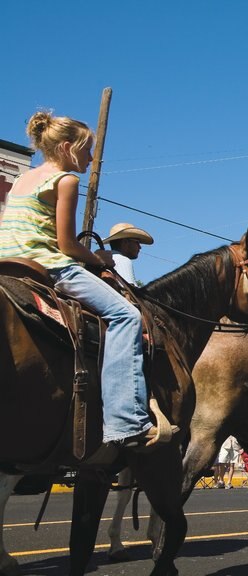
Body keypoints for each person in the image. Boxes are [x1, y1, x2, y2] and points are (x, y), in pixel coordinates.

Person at [0, 111, 159, 449]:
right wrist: (98, 258)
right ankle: (125, 421)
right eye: (88, 151)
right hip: (49, 267)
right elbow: (67, 245)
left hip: (8, 264)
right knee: (126, 316)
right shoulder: (66, 180)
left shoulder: (24, 179)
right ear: (68, 147)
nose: (90, 159)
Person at [103, 222, 154, 287]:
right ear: (125, 242)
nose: (140, 247)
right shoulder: (122, 260)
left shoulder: (108, 259)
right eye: (137, 242)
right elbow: (129, 293)